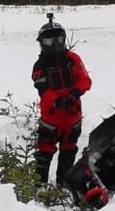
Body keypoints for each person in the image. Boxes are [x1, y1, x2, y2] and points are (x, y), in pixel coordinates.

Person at [31, 13, 92, 185]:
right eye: (49, 41)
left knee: (69, 149)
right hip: (51, 116)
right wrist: (56, 101)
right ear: (42, 43)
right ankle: (39, 185)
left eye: (58, 39)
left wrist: (74, 93)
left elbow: (85, 80)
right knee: (44, 151)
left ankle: (64, 184)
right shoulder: (39, 65)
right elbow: (42, 88)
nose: (55, 45)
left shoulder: (73, 59)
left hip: (72, 114)